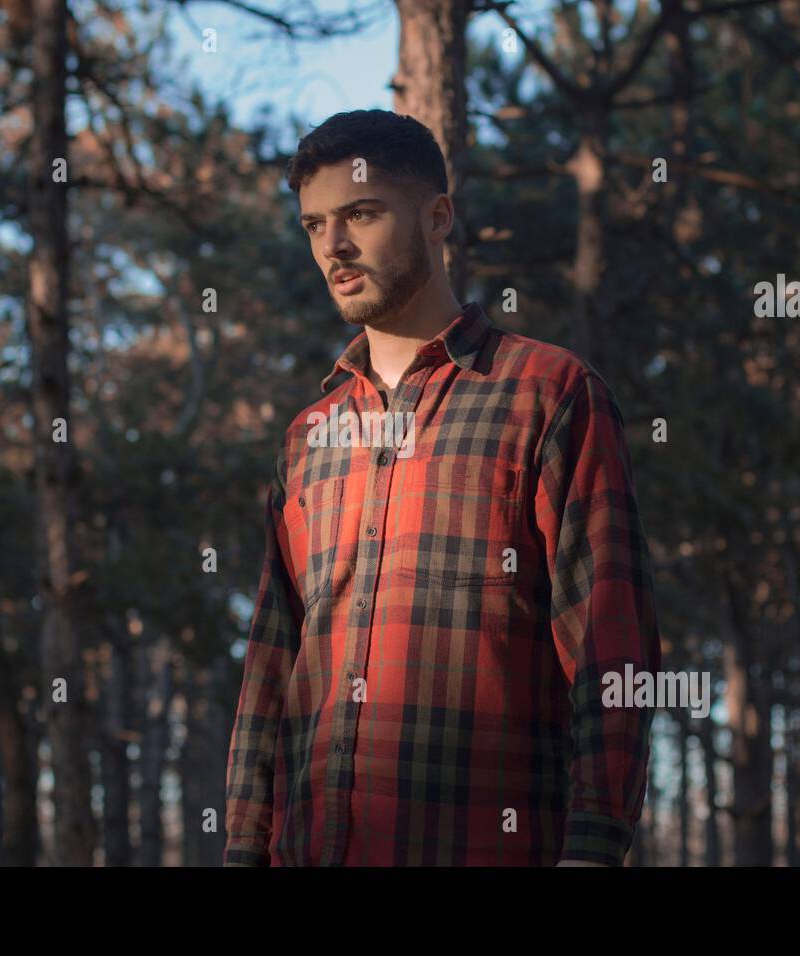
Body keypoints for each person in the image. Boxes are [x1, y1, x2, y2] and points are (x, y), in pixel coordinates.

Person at [224, 109, 662, 866]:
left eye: (360, 214)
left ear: (436, 218)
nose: (333, 246)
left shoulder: (549, 395)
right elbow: (271, 665)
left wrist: (594, 846)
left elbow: (610, 645)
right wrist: (242, 847)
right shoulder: (307, 438)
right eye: (313, 224)